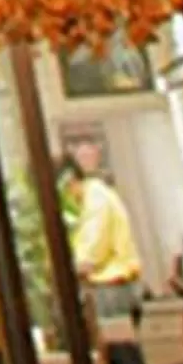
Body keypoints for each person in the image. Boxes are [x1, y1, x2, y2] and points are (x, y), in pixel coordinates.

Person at [61, 138, 144, 324]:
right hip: (111, 288)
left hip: (111, 289)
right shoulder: (94, 195)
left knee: (114, 341)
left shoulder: (95, 196)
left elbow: (91, 254)